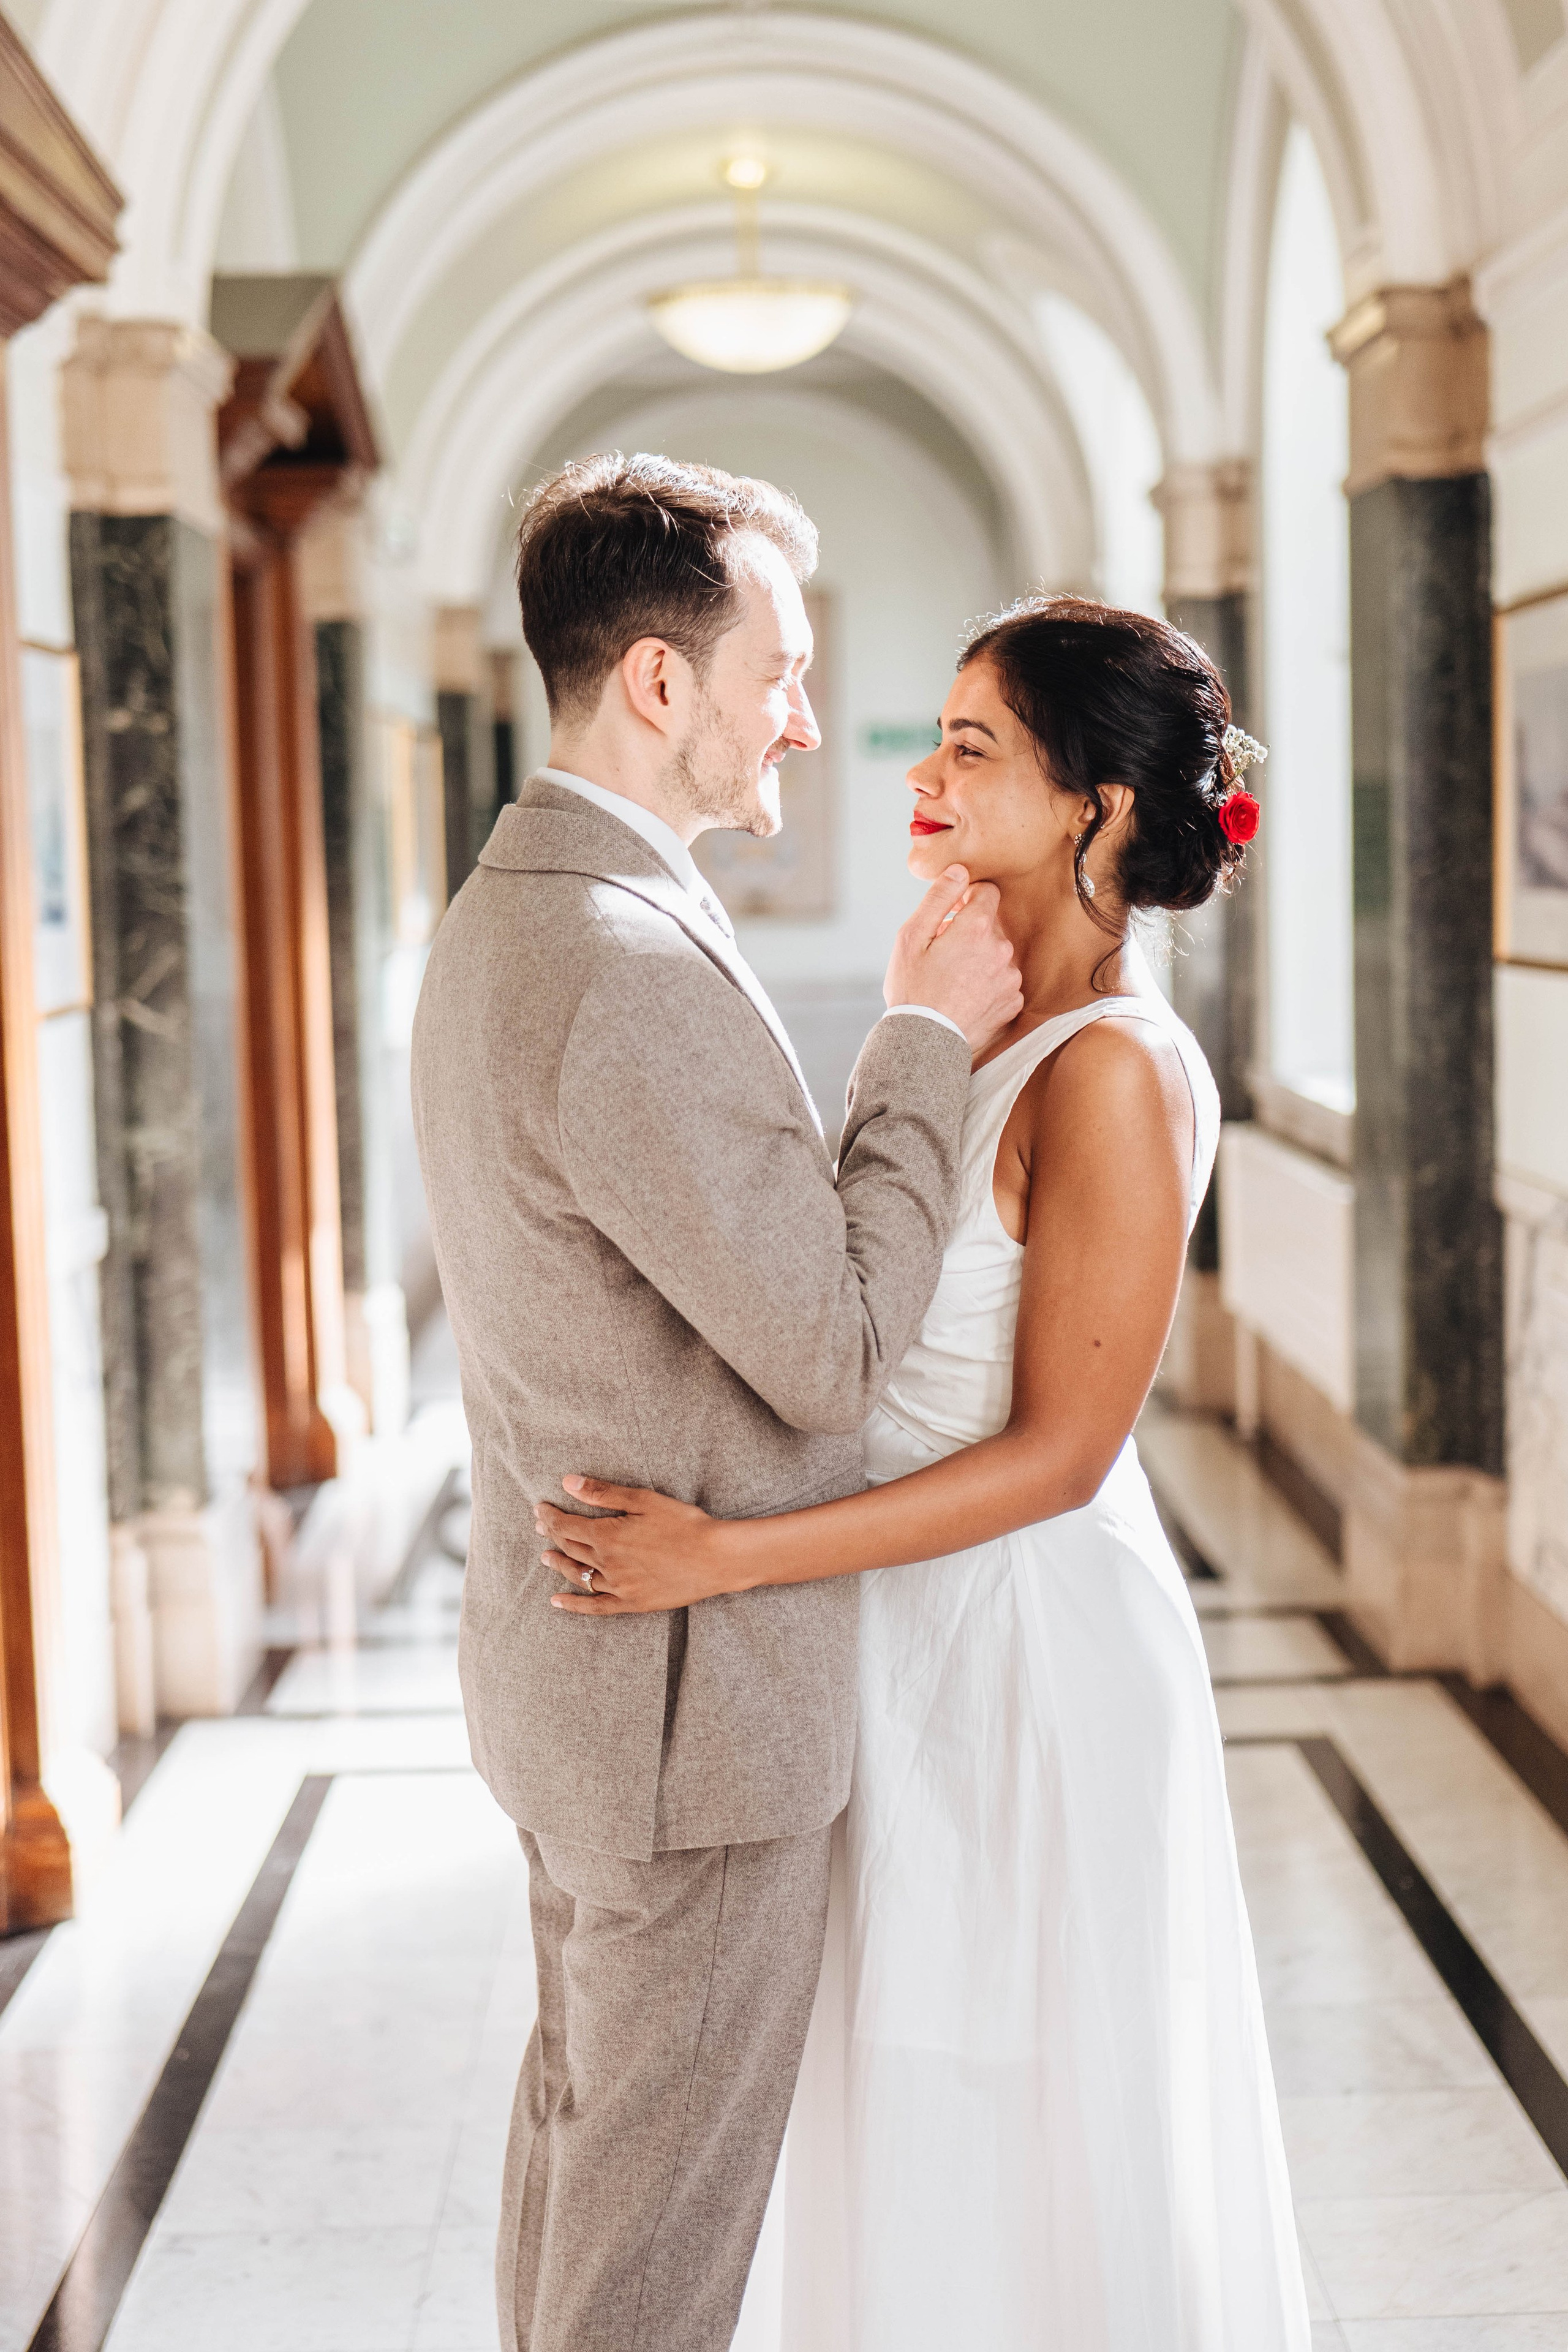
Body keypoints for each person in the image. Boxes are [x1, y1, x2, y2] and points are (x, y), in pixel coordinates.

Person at [537, 597, 1313, 2350]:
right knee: (892, 2104)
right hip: (884, 1631)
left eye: (976, 747)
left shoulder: (1114, 1068)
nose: (925, 772)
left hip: (1022, 1658)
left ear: (1101, 808)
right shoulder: (965, 1017)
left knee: (1007, 2103)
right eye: (936, 735)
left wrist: (729, 1558)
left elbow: (1059, 1457)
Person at [410, 451, 1022, 2352]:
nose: (810, 717)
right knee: (651, 2257)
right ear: (661, 683)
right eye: (784, 666)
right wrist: (919, 1042)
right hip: (684, 1724)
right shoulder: (618, 958)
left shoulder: (519, 907)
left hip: (585, 1687)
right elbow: (831, 1351)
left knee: (587, 2163)